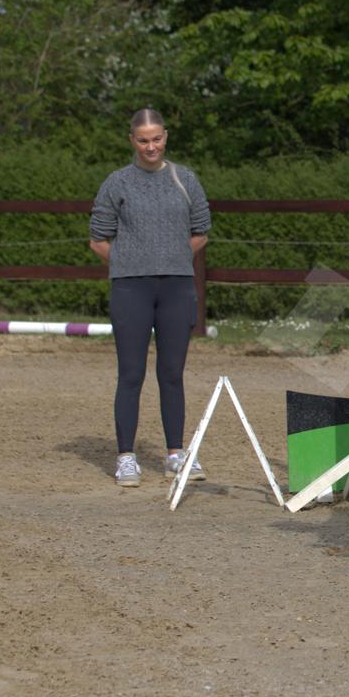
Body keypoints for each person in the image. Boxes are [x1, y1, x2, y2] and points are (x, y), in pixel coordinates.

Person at [88, 109, 212, 488]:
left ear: (165, 137)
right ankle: (126, 457)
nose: (151, 146)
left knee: (172, 373)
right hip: (131, 288)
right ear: (132, 140)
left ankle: (176, 453)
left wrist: (172, 258)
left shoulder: (185, 179)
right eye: (143, 140)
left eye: (156, 138)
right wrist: (129, 263)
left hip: (177, 286)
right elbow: (98, 238)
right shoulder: (117, 182)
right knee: (131, 374)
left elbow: (201, 231)